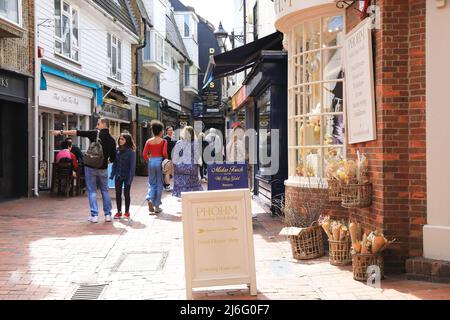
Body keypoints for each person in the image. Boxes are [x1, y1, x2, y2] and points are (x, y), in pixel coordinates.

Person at [53, 118, 116, 223]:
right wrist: (105, 161)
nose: (96, 126)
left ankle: (94, 215)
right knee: (105, 191)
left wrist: (60, 132)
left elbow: (77, 132)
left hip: (90, 166)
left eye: (98, 124)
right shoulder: (112, 140)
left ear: (104, 124)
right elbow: (113, 158)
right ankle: (108, 215)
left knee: (92, 191)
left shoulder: (94, 134)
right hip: (103, 168)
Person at [143, 120, 168, 214]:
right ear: (161, 131)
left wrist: (149, 161)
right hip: (160, 162)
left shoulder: (148, 141)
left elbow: (144, 154)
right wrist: (166, 161)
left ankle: (150, 198)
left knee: (151, 182)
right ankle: (157, 206)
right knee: (159, 184)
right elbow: (165, 153)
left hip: (151, 161)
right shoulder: (163, 141)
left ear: (153, 131)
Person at [110, 132, 136, 220]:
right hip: (118, 175)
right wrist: (112, 174)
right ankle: (119, 212)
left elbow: (132, 167)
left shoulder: (131, 152)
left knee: (126, 194)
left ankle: (127, 212)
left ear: (127, 140)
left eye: (122, 139)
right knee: (118, 194)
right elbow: (114, 164)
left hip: (127, 175)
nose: (120, 140)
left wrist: (130, 179)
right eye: (120, 139)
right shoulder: (117, 150)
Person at [172, 126, 203, 198]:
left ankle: (183, 197)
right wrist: (200, 162)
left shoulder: (179, 143)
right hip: (191, 167)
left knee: (181, 183)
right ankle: (190, 198)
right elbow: (197, 155)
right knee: (192, 184)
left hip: (179, 167)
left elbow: (175, 156)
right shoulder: (194, 143)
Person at [162, 126, 176, 191]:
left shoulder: (173, 138)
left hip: (172, 157)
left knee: (170, 172)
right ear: (166, 131)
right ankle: (167, 186)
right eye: (169, 130)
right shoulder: (165, 138)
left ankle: (166, 185)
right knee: (167, 172)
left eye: (172, 130)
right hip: (167, 157)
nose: (171, 131)